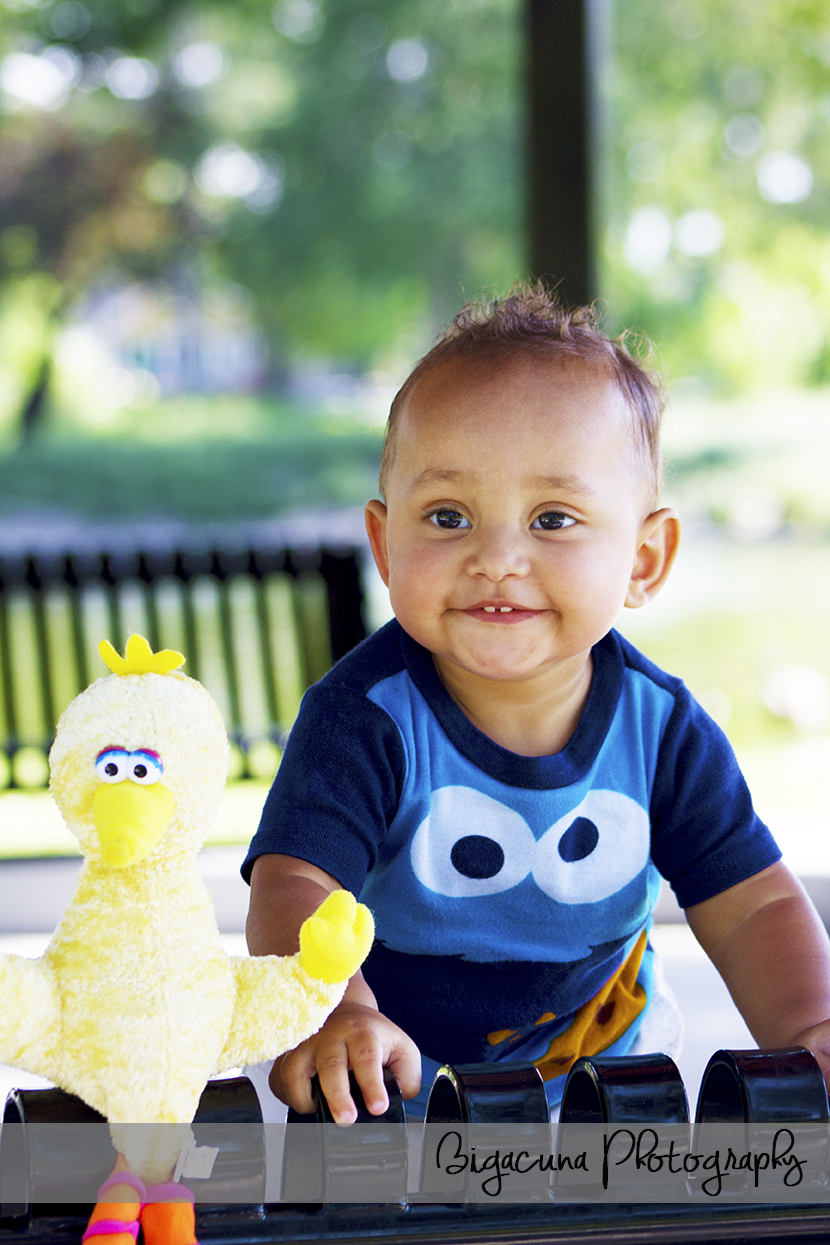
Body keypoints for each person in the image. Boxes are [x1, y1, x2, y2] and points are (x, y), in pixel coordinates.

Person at [243, 283, 830, 1125]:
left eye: (553, 518)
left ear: (644, 559)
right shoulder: (364, 718)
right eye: (448, 516)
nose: (497, 557)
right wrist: (335, 1013)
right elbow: (296, 881)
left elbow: (754, 906)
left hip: (613, 1086)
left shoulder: (660, 731)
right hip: (397, 1090)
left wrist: (809, 1027)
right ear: (385, 543)